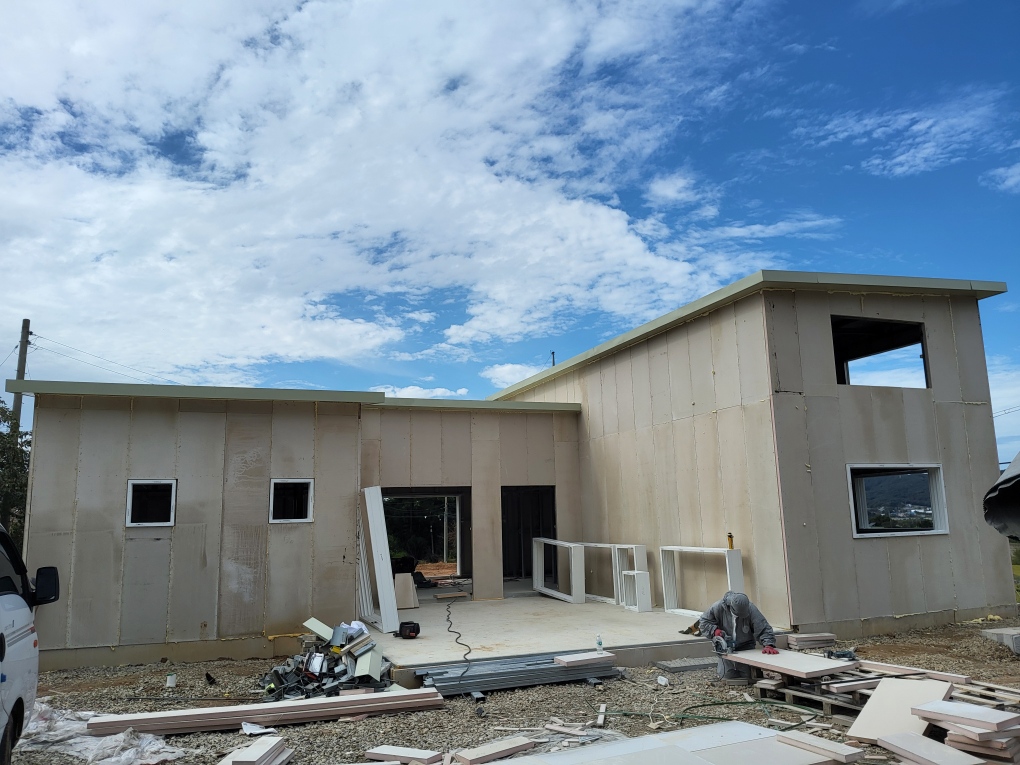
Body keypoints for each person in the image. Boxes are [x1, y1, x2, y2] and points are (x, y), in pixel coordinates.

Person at [699, 591, 777, 682]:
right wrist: (714, 630)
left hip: (746, 647)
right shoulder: (718, 607)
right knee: (726, 677)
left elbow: (762, 626)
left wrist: (768, 644)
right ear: (731, 607)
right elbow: (704, 622)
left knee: (749, 678)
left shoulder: (751, 609)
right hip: (726, 648)